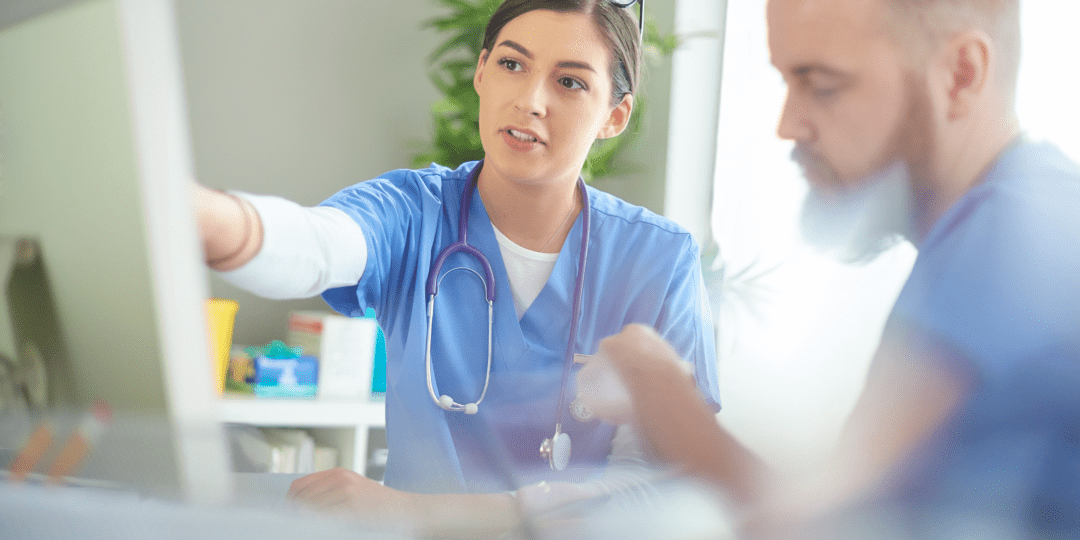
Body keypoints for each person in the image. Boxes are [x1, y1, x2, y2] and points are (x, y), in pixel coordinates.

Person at [196, 0, 719, 536]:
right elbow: (316, 245)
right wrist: (201, 218)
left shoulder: (656, 260)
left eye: (570, 83)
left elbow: (662, 486)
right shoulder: (412, 210)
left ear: (615, 115)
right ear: (481, 72)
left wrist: (430, 512)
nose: (529, 101)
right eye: (512, 66)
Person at [595, 0, 1080, 537]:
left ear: (960, 74)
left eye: (822, 85)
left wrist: (658, 388)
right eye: (785, 80)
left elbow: (805, 525)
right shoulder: (1034, 204)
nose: (787, 125)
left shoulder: (1013, 233)